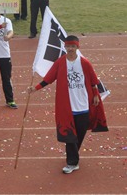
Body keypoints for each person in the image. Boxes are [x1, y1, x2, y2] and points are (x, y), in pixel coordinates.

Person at [27, 35, 108, 173]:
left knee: (80, 133)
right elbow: (49, 79)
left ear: (77, 47)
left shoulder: (85, 63)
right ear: (65, 47)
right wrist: (35, 88)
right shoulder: (60, 63)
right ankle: (72, 162)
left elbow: (93, 81)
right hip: (67, 106)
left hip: (83, 104)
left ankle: (73, 155)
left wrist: (95, 95)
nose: (70, 49)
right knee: (70, 134)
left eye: (73, 46)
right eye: (68, 46)